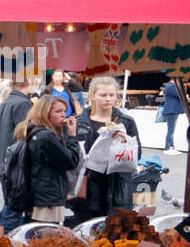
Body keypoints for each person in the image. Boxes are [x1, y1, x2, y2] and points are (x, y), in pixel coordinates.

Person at [70, 76, 138, 224]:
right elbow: (71, 155)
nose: (108, 99)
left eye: (111, 95)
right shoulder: (79, 122)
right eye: (103, 95)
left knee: (116, 234)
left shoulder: (126, 121)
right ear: (93, 95)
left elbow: (137, 155)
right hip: (88, 185)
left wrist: (126, 142)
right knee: (88, 230)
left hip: (116, 184)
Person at [15, 93, 80, 225]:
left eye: (64, 111)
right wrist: (72, 136)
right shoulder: (47, 137)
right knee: (46, 237)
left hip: (39, 194)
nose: (63, 115)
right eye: (58, 111)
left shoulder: (34, 131)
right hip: (48, 197)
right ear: (45, 113)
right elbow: (71, 161)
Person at [0, 75, 36, 232]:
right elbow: (26, 134)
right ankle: (0, 241)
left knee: (10, 208)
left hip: (6, 160)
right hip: (16, 164)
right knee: (12, 210)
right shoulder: (23, 103)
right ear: (28, 82)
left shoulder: (8, 101)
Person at [160, 79, 183, 153]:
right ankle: (167, 147)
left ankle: (171, 146)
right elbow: (180, 95)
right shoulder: (171, 86)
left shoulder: (170, 86)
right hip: (171, 110)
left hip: (172, 110)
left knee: (171, 129)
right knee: (171, 130)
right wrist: (179, 87)